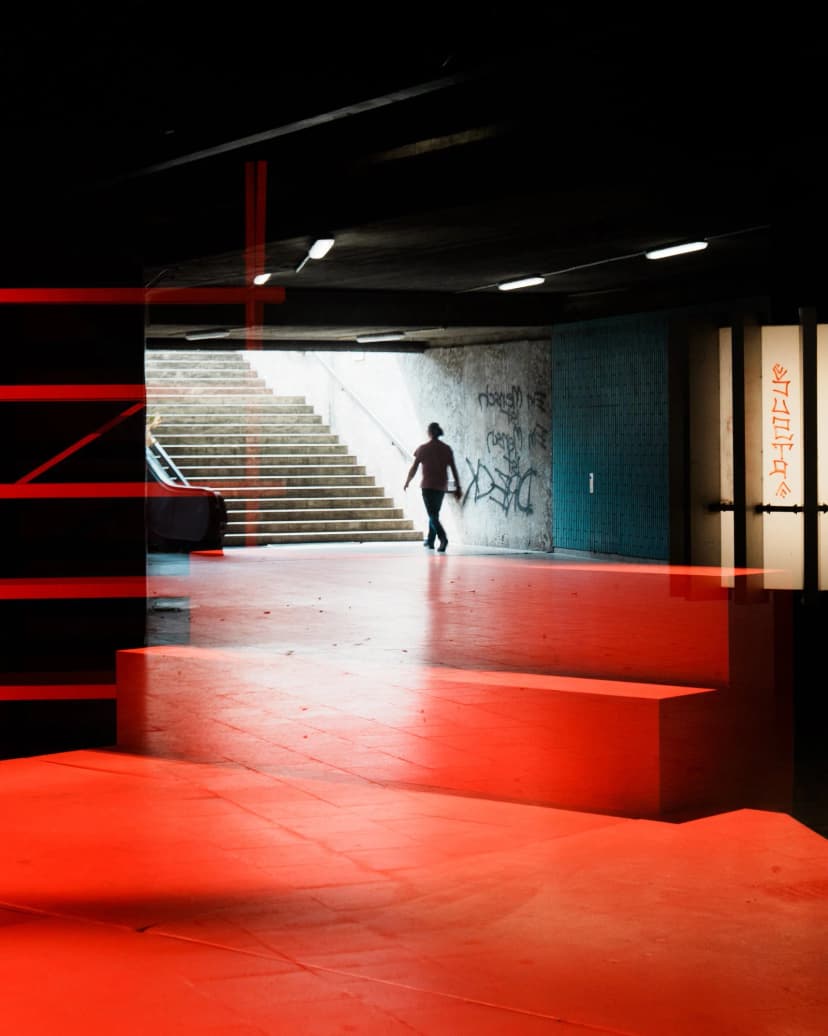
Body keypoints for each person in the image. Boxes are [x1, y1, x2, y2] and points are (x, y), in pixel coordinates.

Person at [404, 422, 462, 552]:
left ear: (429, 433)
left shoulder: (422, 449)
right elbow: (453, 469)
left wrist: (408, 481)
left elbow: (414, 467)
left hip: (428, 486)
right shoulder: (446, 449)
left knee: (432, 515)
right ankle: (430, 540)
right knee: (434, 514)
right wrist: (458, 487)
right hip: (441, 486)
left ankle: (443, 538)